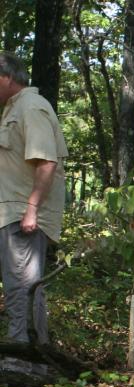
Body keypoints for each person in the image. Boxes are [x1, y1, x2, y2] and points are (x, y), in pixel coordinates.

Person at [0, 52, 67, 345]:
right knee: (17, 287)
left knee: (23, 288)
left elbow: (46, 161)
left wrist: (32, 209)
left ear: (6, 77)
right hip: (9, 215)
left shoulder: (32, 107)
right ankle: (25, 354)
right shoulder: (12, 109)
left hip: (22, 217)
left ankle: (27, 362)